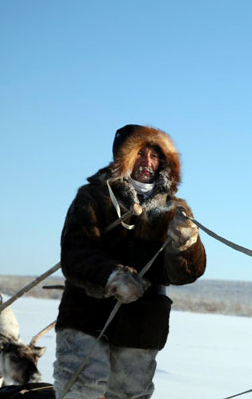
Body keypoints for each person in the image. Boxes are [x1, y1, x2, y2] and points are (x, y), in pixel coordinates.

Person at [53, 124, 207, 399]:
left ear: (164, 163)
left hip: (142, 326)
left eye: (155, 156)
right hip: (86, 317)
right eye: (140, 153)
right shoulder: (94, 196)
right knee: (81, 389)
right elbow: (75, 253)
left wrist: (186, 246)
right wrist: (110, 277)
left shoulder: (175, 209)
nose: (147, 161)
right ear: (124, 157)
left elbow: (186, 274)